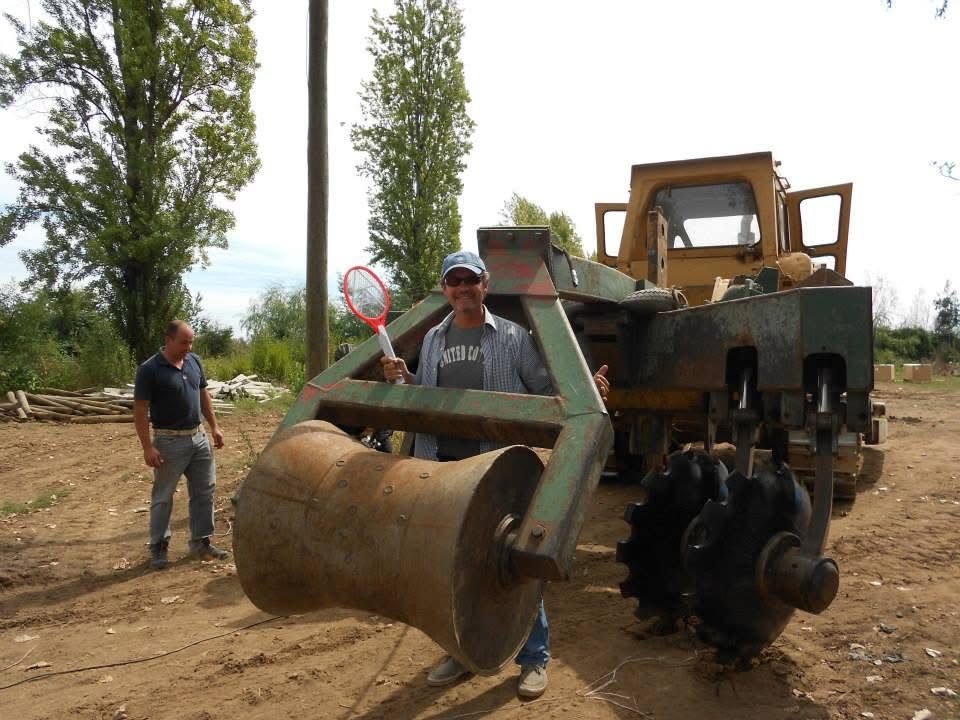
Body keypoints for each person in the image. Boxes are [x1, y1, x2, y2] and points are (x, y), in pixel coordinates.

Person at [381, 250, 609, 699]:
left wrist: (589, 390)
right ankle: (461, 653)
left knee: (517, 563)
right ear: (445, 289)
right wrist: (401, 378)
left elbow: (547, 391)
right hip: (445, 470)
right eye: (454, 281)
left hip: (498, 472)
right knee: (451, 568)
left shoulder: (513, 337)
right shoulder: (432, 339)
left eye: (470, 280)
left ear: (485, 284)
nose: (462, 288)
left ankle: (534, 658)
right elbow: (425, 398)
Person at [133, 320, 230, 570]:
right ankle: (159, 547)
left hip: (198, 439)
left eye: (191, 342)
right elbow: (141, 411)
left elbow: (202, 395)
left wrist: (214, 427)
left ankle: (201, 542)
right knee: (163, 496)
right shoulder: (150, 369)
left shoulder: (194, 362)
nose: (188, 347)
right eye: (184, 342)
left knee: (204, 491)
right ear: (168, 340)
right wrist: (147, 447)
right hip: (168, 441)